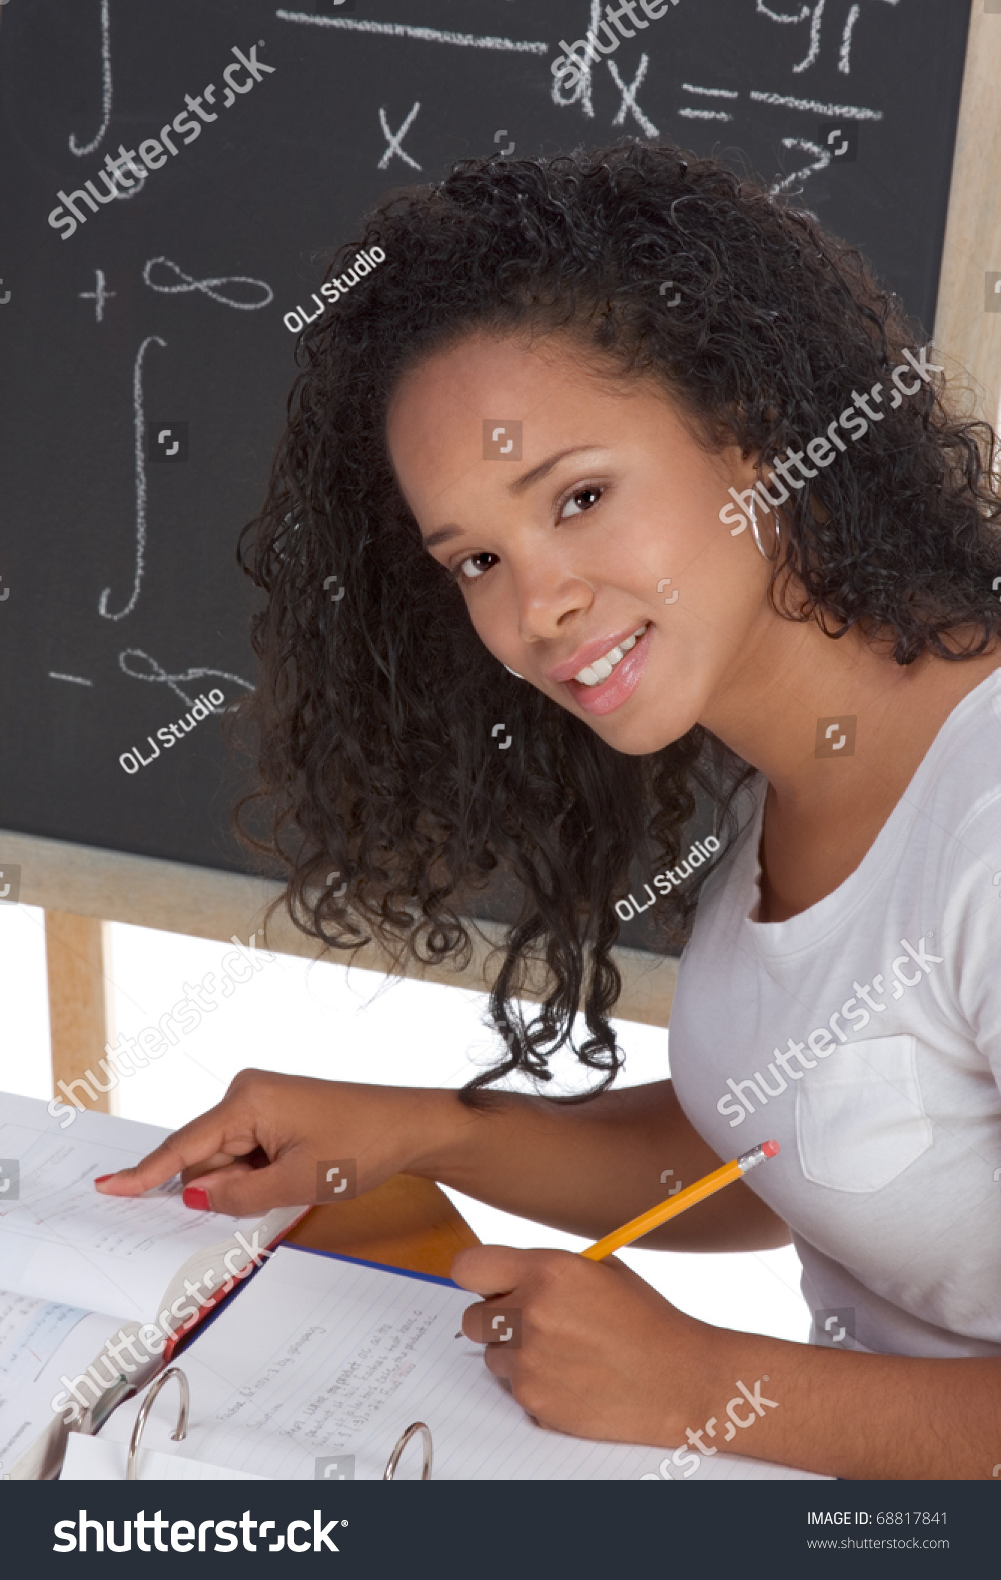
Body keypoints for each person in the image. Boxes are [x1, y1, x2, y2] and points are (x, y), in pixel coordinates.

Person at [96, 143, 1001, 1478]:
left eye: (579, 497)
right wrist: (418, 1132)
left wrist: (703, 1385)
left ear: (750, 427)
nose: (534, 608)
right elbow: (822, 1134)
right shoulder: (793, 770)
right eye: (475, 559)